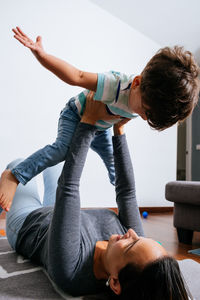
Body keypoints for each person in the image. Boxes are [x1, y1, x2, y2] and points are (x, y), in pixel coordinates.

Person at [5, 94, 192, 299]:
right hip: (56, 213)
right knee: (57, 162)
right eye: (141, 238)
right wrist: (119, 131)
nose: (132, 232)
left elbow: (69, 187)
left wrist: (88, 122)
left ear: (114, 283)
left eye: (131, 243)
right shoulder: (135, 247)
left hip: (28, 223)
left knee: (17, 166)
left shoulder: (70, 271)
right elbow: (127, 193)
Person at [0, 26, 199, 212]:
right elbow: (75, 76)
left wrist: (121, 122)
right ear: (136, 82)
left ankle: (124, 202)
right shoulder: (115, 84)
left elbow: (131, 113)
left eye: (147, 117)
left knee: (115, 166)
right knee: (63, 150)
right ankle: (15, 175)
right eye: (144, 111)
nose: (143, 116)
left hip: (100, 128)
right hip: (75, 115)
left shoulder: (149, 99)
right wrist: (42, 56)